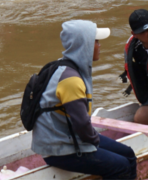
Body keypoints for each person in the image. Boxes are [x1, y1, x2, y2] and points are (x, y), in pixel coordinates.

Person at [33, 20, 135, 180]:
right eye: (96, 42)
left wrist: (94, 140)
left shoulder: (64, 66)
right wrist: (95, 142)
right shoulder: (71, 80)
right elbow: (81, 125)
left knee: (129, 154)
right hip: (61, 149)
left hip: (69, 139)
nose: (100, 45)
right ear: (84, 45)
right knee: (120, 166)